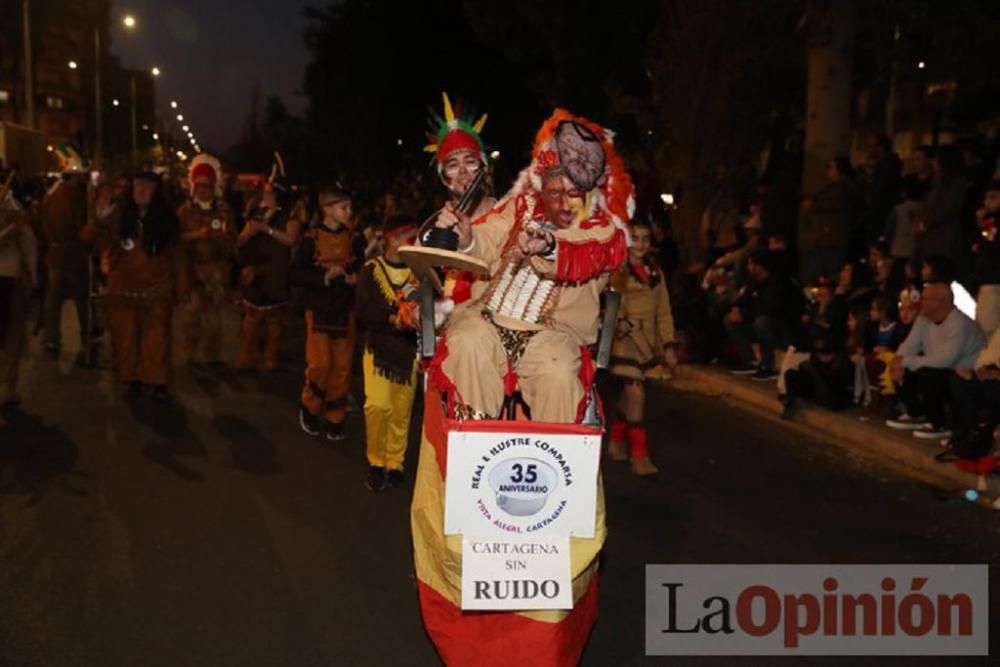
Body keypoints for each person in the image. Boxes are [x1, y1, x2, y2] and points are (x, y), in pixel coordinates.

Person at [430, 110, 633, 423]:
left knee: (559, 373)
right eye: (554, 192)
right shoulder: (521, 206)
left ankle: (553, 463)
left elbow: (587, 252)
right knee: (466, 343)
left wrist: (550, 246)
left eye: (574, 194)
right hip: (489, 319)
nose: (564, 203)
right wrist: (468, 236)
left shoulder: (605, 229)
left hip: (553, 335)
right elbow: (488, 235)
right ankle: (473, 448)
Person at [82, 172, 189, 401]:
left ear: (156, 192)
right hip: (123, 289)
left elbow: (177, 256)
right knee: (126, 339)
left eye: (147, 187)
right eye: (138, 185)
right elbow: (89, 240)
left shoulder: (167, 219)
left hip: (157, 288)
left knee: (157, 339)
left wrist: (182, 289)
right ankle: (132, 380)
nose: (141, 190)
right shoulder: (117, 215)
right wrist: (99, 221)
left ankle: (158, 383)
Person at [289, 185, 360, 440]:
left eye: (350, 207)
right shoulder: (311, 239)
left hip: (345, 309)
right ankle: (309, 406)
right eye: (344, 207)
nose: (349, 211)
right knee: (320, 364)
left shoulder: (354, 238)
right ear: (327, 209)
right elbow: (296, 273)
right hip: (319, 309)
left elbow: (363, 267)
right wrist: (324, 276)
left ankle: (335, 416)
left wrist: (356, 278)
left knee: (342, 366)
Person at [608, 220, 677, 476]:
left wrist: (668, 343)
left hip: (647, 342)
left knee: (630, 394)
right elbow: (614, 302)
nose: (640, 244)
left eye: (645, 239)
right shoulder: (618, 270)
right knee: (636, 392)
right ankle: (639, 456)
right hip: (624, 340)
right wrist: (619, 322)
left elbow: (664, 311)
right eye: (634, 238)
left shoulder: (656, 273)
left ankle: (616, 439)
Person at [355, 215, 419, 491]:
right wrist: (393, 318)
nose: (415, 243)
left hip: (408, 352)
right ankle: (376, 459)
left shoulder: (420, 271)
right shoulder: (371, 270)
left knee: (402, 411)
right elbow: (363, 312)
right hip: (379, 349)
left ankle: (395, 462)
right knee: (378, 406)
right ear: (393, 239)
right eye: (410, 237)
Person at [886, 282, 985, 440]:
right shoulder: (923, 320)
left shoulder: (959, 323)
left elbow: (946, 359)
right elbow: (909, 344)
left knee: (928, 374)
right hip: (939, 367)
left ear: (942, 302)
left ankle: (940, 423)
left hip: (962, 373)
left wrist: (905, 361)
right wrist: (898, 361)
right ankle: (916, 412)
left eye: (925, 299)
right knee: (905, 366)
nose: (920, 302)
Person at [424, 92, 497, 306]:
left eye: (470, 161)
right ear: (445, 178)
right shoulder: (435, 224)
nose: (463, 171)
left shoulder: (508, 212)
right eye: (453, 165)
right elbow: (420, 279)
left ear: (483, 168)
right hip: (454, 321)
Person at [236, 157, 300, 371]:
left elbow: (291, 239)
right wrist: (249, 233)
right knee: (251, 319)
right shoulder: (256, 212)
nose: (265, 195)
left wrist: (266, 229)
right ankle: (248, 356)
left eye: (270, 192)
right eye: (265, 192)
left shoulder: (289, 215)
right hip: (255, 271)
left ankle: (270, 358)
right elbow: (240, 240)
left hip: (275, 272)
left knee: (273, 321)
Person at [176, 154, 236, 365]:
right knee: (191, 315)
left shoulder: (224, 210)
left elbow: (233, 240)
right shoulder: (184, 211)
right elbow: (175, 239)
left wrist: (221, 238)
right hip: (192, 270)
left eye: (207, 186)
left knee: (213, 319)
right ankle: (189, 354)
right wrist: (197, 235)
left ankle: (212, 357)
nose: (203, 190)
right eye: (200, 186)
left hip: (216, 272)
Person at [725, 250, 804, 381]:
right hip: (761, 321)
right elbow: (743, 299)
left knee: (762, 322)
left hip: (783, 327)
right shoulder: (754, 280)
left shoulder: (779, 282)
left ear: (760, 266)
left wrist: (745, 316)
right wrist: (736, 308)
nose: (748, 267)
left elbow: (771, 309)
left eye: (751, 264)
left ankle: (769, 366)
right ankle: (750, 361)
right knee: (729, 320)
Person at [40, 164, 89, 357]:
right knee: (81, 300)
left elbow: (43, 221)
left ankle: (51, 339)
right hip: (73, 253)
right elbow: (81, 224)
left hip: (55, 253)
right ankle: (87, 338)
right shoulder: (75, 196)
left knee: (53, 300)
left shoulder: (50, 195)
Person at [0, 177, 39, 406]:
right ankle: (6, 384)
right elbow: (29, 245)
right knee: (11, 335)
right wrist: (33, 277)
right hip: (9, 277)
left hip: (9, 277)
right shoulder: (13, 211)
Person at [800, 157, 855, 285]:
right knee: (813, 278)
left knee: (830, 278)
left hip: (831, 241)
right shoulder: (829, 189)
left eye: (831, 167)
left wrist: (813, 204)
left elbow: (836, 203)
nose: (827, 171)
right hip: (819, 240)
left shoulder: (845, 188)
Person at [971, 180, 1000, 337]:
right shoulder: (989, 221)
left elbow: (988, 244)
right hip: (988, 279)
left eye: (993, 197)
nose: (988, 202)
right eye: (986, 198)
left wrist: (980, 244)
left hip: (993, 280)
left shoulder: (994, 221)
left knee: (989, 327)